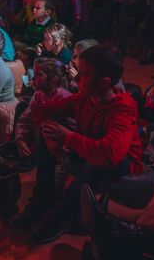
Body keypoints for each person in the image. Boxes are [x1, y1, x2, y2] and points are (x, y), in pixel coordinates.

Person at [11, 45, 142, 245]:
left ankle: (61, 213)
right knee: (49, 127)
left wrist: (68, 137)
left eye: (84, 74)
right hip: (90, 152)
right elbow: (41, 111)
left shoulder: (122, 110)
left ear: (104, 82)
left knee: (99, 160)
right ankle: (42, 198)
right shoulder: (86, 98)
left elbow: (110, 154)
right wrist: (50, 134)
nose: (77, 77)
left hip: (119, 163)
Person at [14, 58, 72, 166]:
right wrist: (20, 138)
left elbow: (72, 127)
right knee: (22, 107)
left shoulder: (64, 99)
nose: (33, 78)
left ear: (53, 79)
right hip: (40, 140)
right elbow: (26, 118)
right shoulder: (39, 95)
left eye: (39, 75)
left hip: (58, 146)